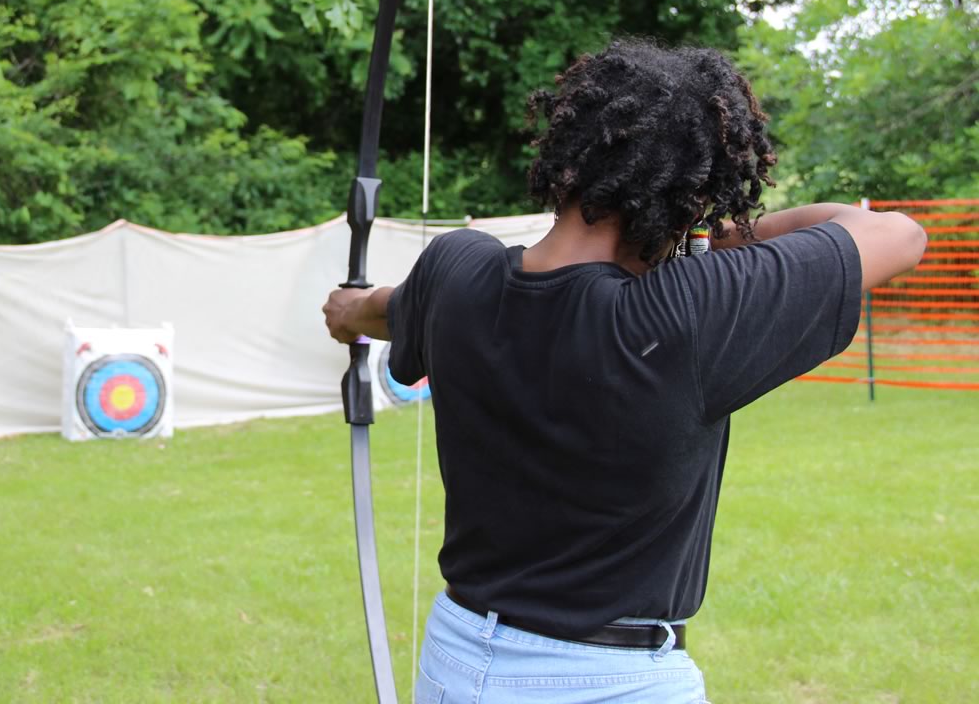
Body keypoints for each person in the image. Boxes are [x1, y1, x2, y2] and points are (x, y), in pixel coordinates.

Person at [322, 40, 926, 703]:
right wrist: (721, 237)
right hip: (610, 683)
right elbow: (898, 236)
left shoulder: (456, 271)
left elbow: (382, 309)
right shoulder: (684, 314)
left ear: (568, 158)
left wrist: (348, 310)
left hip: (457, 659)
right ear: (694, 198)